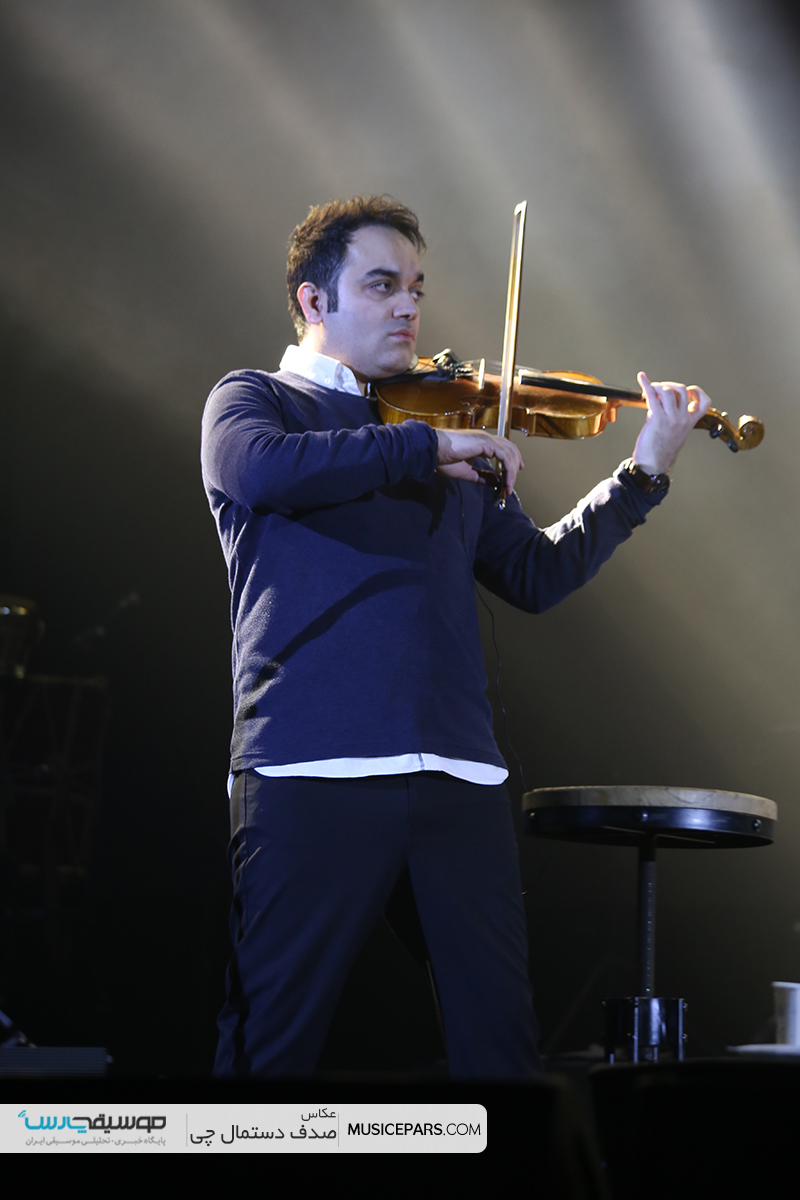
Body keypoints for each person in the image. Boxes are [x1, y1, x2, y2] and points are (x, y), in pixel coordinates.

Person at [201, 195, 711, 1078]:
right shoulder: (256, 401)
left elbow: (537, 574)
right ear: (314, 299)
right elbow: (261, 472)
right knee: (268, 1052)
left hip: (458, 778)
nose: (408, 306)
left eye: (416, 288)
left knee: (500, 1055)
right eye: (382, 285)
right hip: (312, 768)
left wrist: (642, 473)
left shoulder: (438, 437)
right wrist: (426, 448)